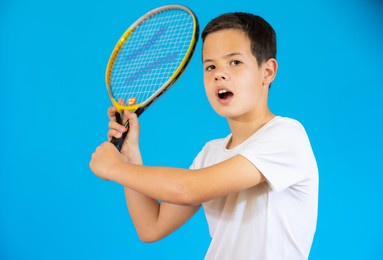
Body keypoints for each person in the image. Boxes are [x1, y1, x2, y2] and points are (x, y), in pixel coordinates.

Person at [90, 12, 318, 260]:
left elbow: (187, 188)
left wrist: (113, 168)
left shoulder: (287, 135)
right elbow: (151, 227)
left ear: (268, 71)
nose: (219, 74)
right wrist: (129, 156)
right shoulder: (211, 152)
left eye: (235, 62)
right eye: (210, 66)